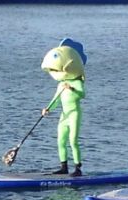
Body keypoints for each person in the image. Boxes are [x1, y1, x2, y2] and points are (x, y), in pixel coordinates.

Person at [40, 38, 87, 177]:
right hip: (64, 115)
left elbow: (82, 95)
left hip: (74, 113)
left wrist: (71, 88)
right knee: (60, 140)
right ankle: (63, 166)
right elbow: (56, 100)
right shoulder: (61, 84)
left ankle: (78, 168)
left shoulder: (77, 82)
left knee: (73, 140)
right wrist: (48, 109)